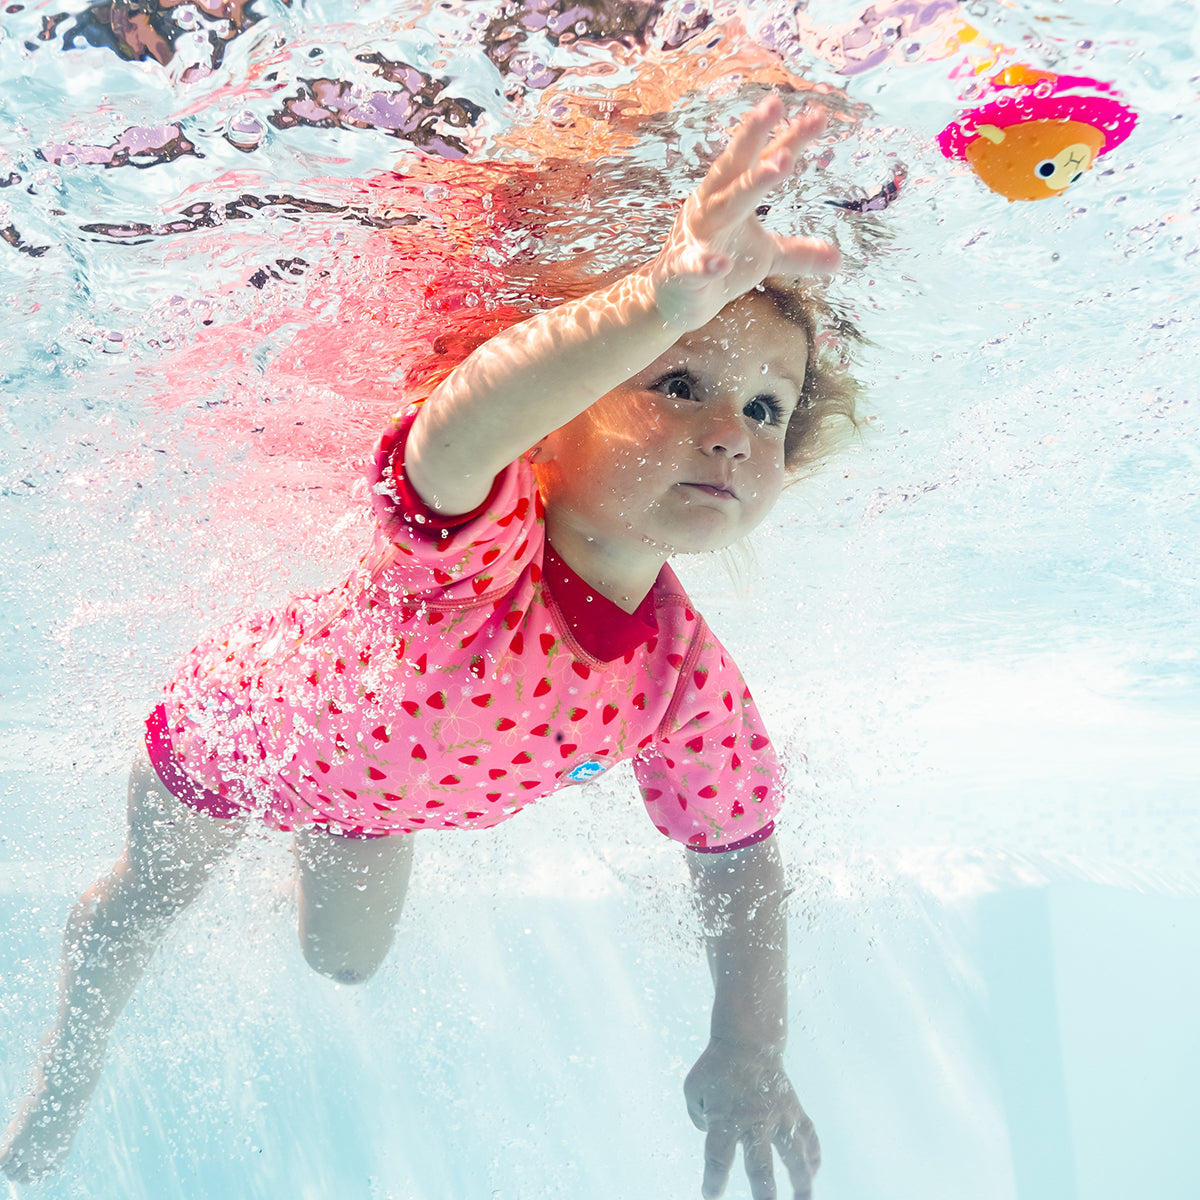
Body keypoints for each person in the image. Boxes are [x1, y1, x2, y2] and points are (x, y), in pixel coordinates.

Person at [1, 95, 857, 1200]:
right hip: (239, 730)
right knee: (147, 901)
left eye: (767, 408)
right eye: (679, 383)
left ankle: (316, 836)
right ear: (555, 421)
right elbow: (460, 422)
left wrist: (750, 1042)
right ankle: (64, 1078)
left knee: (343, 965)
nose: (732, 432)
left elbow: (735, 852)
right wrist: (655, 303)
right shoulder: (476, 549)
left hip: (370, 801)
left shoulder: (683, 677)